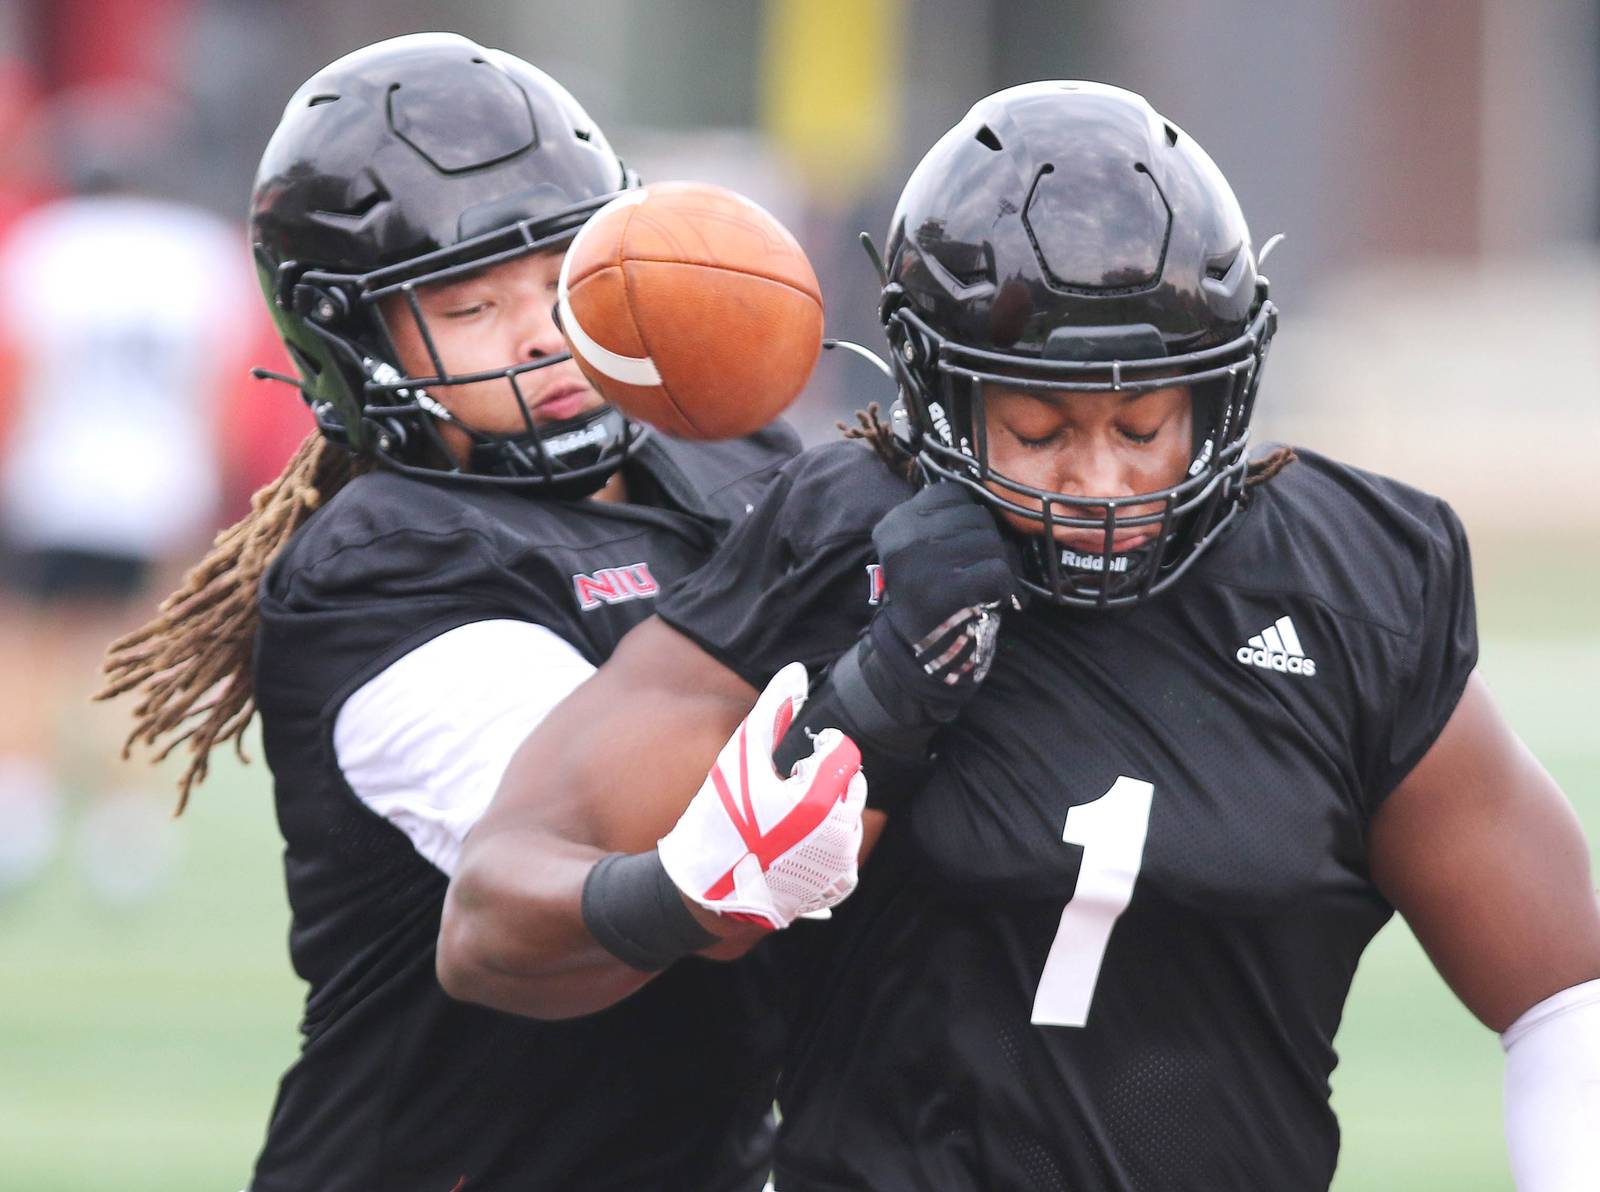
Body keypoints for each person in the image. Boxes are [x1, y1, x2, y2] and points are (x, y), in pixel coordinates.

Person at [443, 82, 1600, 1190]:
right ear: (941, 395)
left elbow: (1567, 996)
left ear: (1224, 393)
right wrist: (680, 890)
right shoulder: (839, 544)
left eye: (1145, 422)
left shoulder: (1346, 580)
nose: (1100, 480)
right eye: (1039, 426)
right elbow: (491, 916)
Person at [99, 33, 868, 1192]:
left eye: (566, 276)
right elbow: (652, 842)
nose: (545, 330)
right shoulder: (381, 561)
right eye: (468, 304)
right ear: (352, 345)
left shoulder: (734, 459)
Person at [0, 85, 257, 903]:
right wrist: (210, 483)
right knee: (141, 653)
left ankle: (22, 813)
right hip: (158, 480)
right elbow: (219, 388)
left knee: (31, 648)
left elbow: (22, 375)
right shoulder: (199, 252)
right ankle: (127, 834)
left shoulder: (43, 246)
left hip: (54, 474)